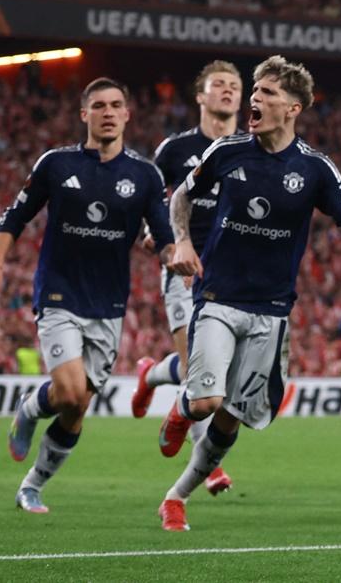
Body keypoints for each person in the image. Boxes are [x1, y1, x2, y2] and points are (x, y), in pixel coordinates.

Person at [155, 55, 341, 531]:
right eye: (255, 90)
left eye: (266, 93)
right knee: (205, 403)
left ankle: (175, 497)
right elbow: (181, 196)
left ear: (293, 108)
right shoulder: (227, 151)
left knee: (231, 421)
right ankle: (181, 411)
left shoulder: (315, 169)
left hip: (272, 311)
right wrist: (181, 240)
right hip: (218, 297)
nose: (255, 99)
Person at [0, 78, 175, 513]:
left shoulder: (144, 175)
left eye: (117, 105)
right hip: (59, 292)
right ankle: (29, 408)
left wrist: (173, 253)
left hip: (109, 303)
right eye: (99, 106)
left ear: (128, 114)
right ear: (85, 115)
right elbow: (15, 216)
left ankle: (32, 485)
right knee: (70, 389)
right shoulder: (56, 165)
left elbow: (165, 235)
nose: (109, 112)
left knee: (76, 407)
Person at [131, 60, 243, 496]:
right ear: (201, 95)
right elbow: (154, 202)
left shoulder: (249, 148)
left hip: (232, 272)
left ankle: (151, 375)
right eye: (219, 85)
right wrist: (155, 235)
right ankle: (208, 468)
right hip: (185, 267)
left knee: (220, 370)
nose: (228, 92)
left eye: (235, 86)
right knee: (200, 371)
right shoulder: (175, 150)